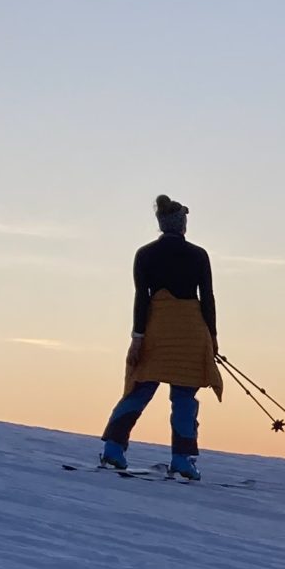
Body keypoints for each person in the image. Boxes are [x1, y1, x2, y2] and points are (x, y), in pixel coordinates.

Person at [98, 194, 223, 479]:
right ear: (182, 225)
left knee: (140, 387)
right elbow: (208, 298)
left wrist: (137, 336)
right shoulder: (198, 255)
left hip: (157, 328)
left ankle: (114, 450)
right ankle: (182, 459)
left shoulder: (145, 254)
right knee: (184, 396)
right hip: (191, 330)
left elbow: (142, 298)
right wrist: (212, 336)